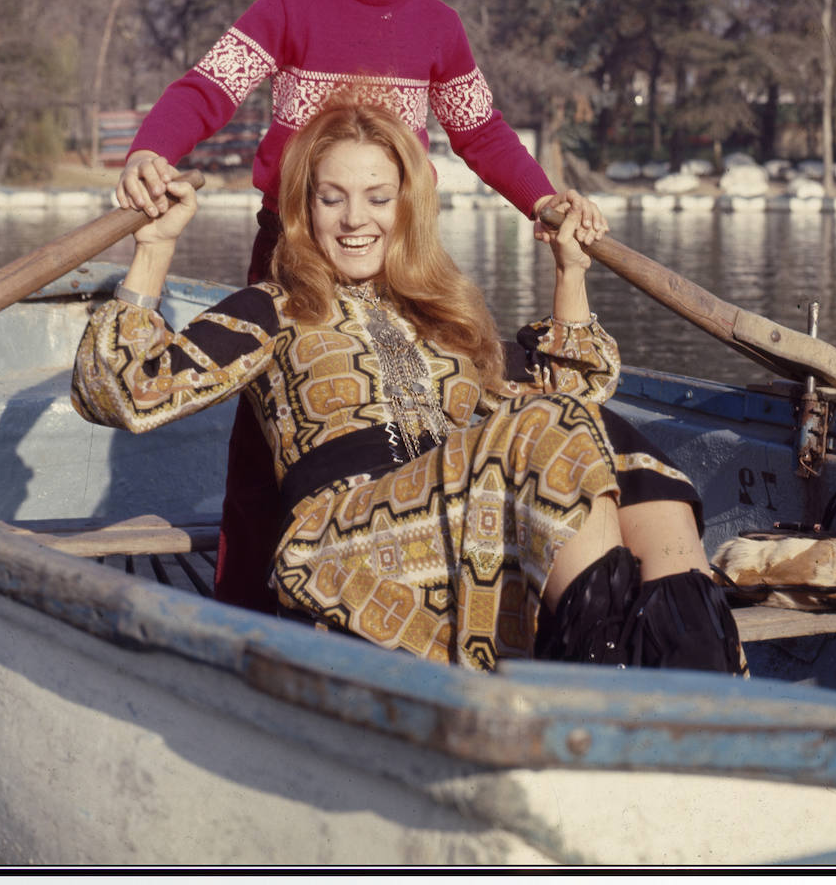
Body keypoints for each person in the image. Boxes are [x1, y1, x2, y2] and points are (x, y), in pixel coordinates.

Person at [115, 0, 605, 612]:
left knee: (404, 416)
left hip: (397, 260)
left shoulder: (437, 29)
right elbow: (205, 90)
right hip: (295, 255)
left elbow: (480, 132)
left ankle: (412, 584)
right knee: (264, 440)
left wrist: (544, 198)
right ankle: (246, 607)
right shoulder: (287, 9)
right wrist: (150, 151)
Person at [73, 101, 745, 675]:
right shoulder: (273, 307)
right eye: (331, 197)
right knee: (550, 426)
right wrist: (155, 249)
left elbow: (578, 399)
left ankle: (698, 686)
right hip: (341, 546)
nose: (354, 220)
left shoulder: (442, 312)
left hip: (465, 535)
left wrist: (569, 272)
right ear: (304, 208)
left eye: (376, 197)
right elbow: (125, 390)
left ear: (406, 204)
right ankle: (610, 688)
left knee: (599, 435)